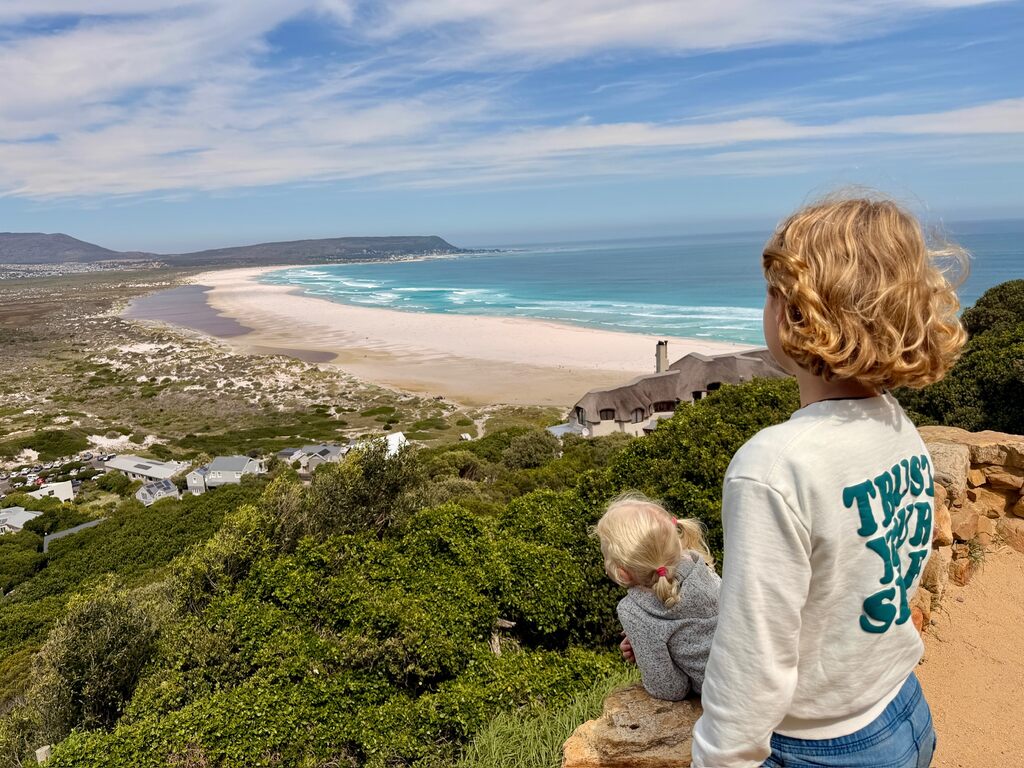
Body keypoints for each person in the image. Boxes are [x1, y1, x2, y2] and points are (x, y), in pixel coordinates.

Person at [691, 196, 968, 767]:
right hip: (901, 707)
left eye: (773, 291)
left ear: (796, 314)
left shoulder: (773, 467)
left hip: (821, 745)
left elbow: (752, 659)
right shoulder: (895, 424)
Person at [594, 492, 721, 700]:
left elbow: (670, 689)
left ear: (622, 572)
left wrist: (651, 651)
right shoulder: (700, 564)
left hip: (728, 695)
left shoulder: (634, 611)